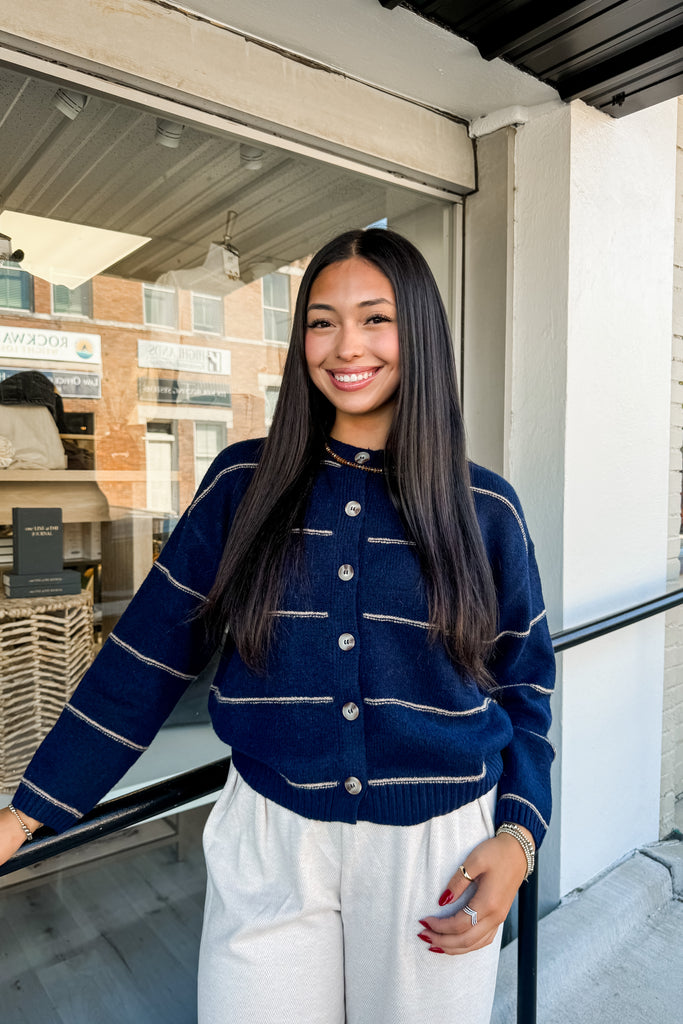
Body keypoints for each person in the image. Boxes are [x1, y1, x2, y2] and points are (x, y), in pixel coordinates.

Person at [0, 228, 555, 1024]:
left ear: (419, 333)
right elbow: (144, 659)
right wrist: (27, 813)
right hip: (270, 838)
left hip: (435, 850)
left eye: (375, 318)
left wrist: (519, 835)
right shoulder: (243, 484)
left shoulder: (484, 506)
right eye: (322, 322)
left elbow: (524, 686)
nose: (345, 345)